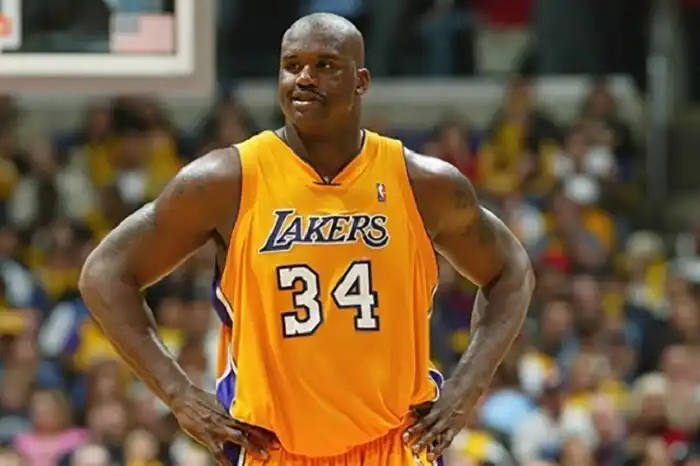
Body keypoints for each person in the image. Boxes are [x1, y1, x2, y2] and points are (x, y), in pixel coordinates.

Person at [78, 12, 535, 466]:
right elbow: (104, 273)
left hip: (394, 446)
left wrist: (466, 387)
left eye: (325, 65)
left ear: (360, 81)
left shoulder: (422, 183)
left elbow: (511, 271)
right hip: (273, 450)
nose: (304, 78)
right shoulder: (226, 180)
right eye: (292, 65)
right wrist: (178, 394)